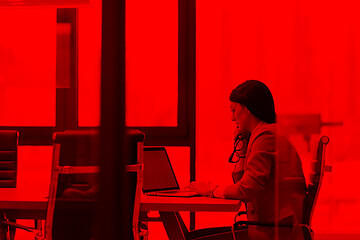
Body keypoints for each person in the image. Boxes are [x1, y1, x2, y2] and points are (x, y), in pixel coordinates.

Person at [188, 80, 307, 240]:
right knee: (193, 236)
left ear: (248, 109)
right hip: (273, 226)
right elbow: (241, 181)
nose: (231, 118)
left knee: (192, 238)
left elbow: (246, 189)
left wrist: (210, 190)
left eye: (233, 110)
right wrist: (243, 148)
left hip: (274, 230)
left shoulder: (267, 136)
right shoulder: (264, 133)